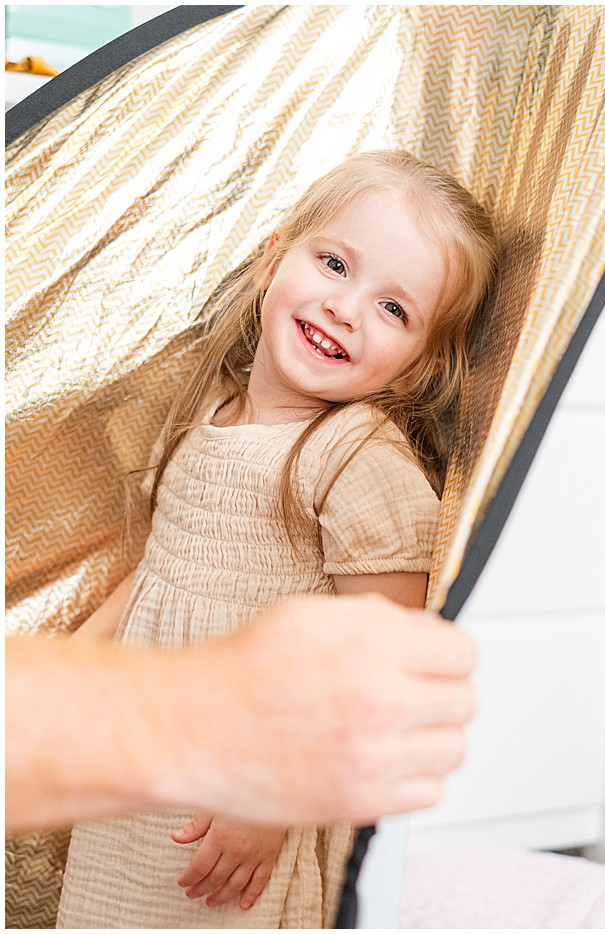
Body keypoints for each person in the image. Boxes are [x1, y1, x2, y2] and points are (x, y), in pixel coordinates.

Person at [55, 150, 499, 929]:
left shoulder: (358, 460)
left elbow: (383, 659)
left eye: (394, 309)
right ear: (271, 261)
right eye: (334, 263)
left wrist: (276, 797)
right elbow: (158, 576)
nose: (345, 308)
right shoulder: (211, 415)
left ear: (419, 365)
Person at [7, 593, 476, 833]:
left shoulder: (359, 459)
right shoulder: (199, 434)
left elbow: (374, 637)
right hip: (125, 809)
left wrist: (266, 812)